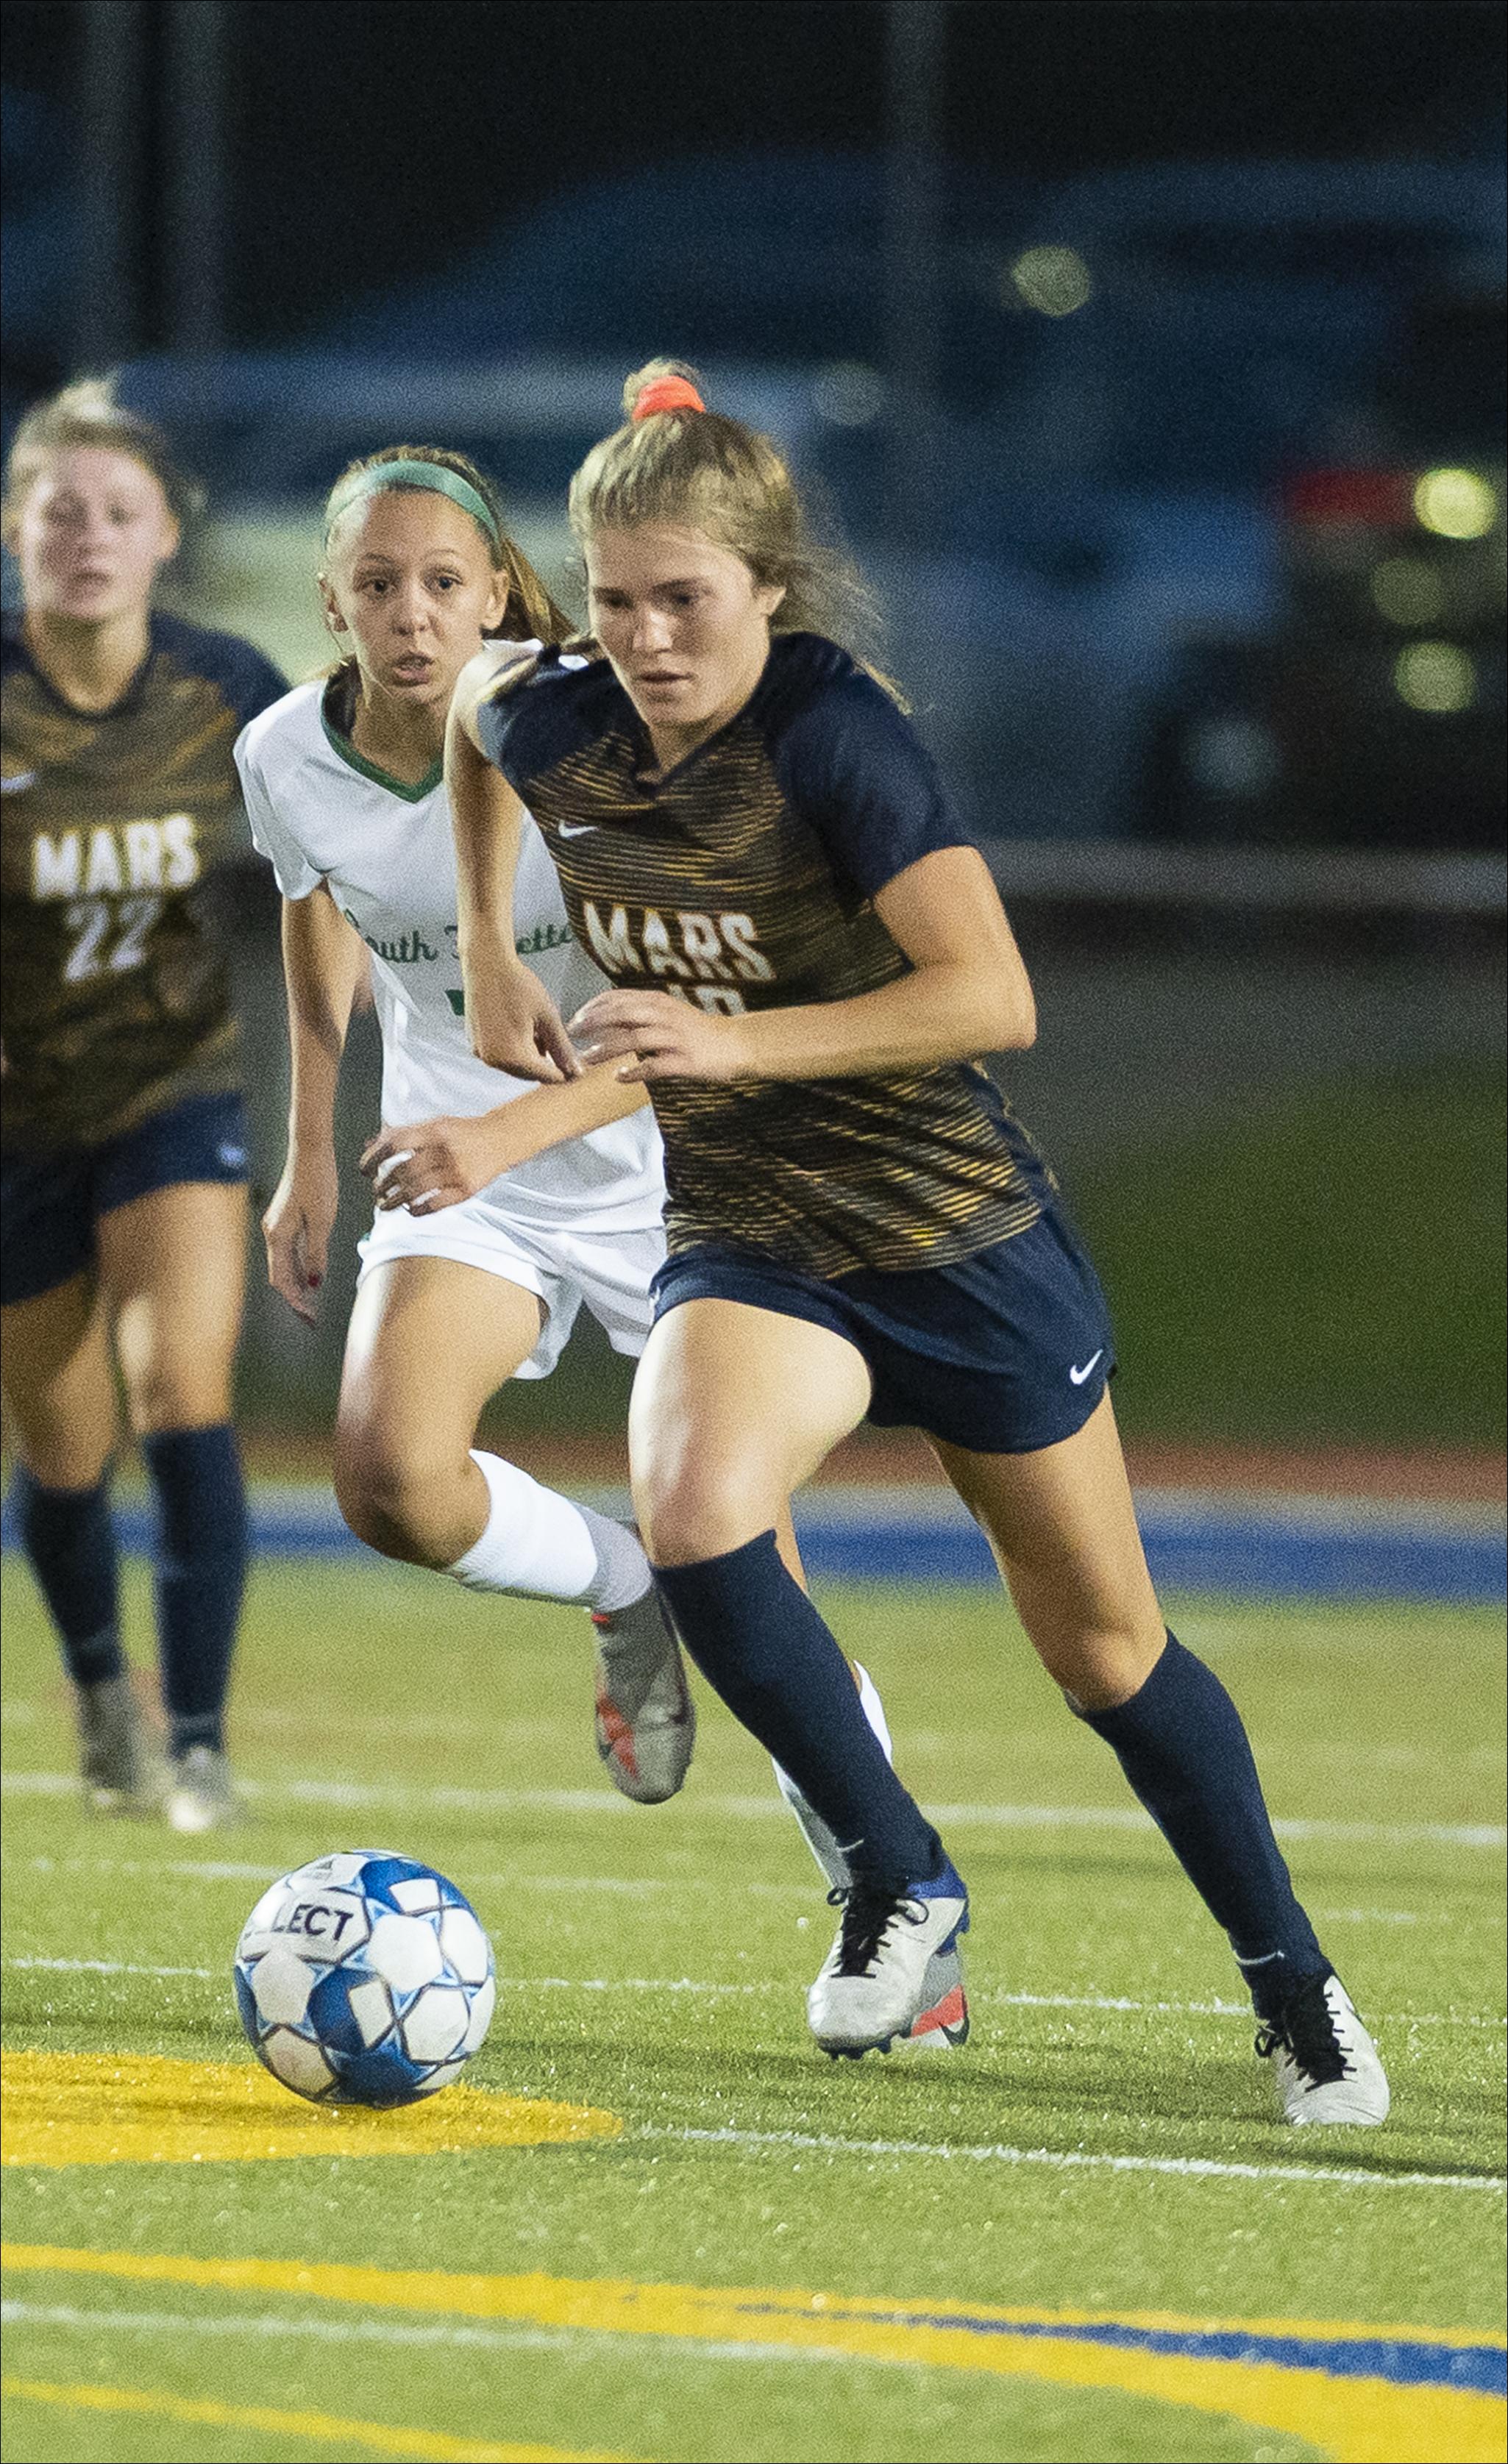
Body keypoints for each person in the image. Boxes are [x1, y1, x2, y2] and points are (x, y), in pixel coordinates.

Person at [444, 359, 1390, 2123]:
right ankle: (900, 1873)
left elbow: (991, 994)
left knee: (1103, 1653)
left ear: (768, 592)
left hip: (952, 1229)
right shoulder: (548, 707)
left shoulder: (830, 736)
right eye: (621, 602)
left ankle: (1294, 1987)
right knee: (694, 1508)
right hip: (755, 1230)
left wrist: (727, 1041)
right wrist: (503, 962)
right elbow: (474, 722)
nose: (650, 638)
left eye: (688, 602)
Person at [241, 446, 964, 2052]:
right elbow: (316, 912)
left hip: (680, 1170)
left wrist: (513, 1114)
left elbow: (702, 1010)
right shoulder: (284, 751)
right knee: (386, 1480)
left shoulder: (601, 733)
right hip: (467, 1165)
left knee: (755, 1584)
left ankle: (900, 1917)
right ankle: (625, 1588)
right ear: (334, 603)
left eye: (446, 581)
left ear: (503, 591)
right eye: (377, 586)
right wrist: (306, 1153)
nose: (412, 616)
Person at [1, 377, 287, 1831]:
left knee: (185, 1390)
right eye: (60, 511)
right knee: (63, 1448)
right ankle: (103, 1685)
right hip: (18, 1124)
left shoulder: (224, 682)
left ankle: (200, 1745)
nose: (89, 537)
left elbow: (341, 842)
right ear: (14, 529)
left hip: (176, 1089)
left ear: (165, 532)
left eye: (117, 511)